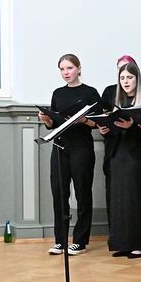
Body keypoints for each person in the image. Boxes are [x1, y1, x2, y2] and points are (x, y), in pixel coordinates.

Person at [38, 54, 102, 256]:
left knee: (83, 193)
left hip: (81, 148)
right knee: (59, 193)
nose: (66, 72)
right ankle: (60, 240)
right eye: (62, 69)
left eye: (70, 68)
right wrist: (46, 119)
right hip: (60, 147)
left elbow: (98, 123)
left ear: (79, 69)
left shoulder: (90, 92)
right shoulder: (57, 93)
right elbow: (54, 124)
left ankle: (80, 241)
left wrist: (83, 120)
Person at [100, 62, 141, 258]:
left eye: (130, 78)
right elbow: (110, 128)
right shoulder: (116, 100)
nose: (126, 82)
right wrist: (104, 129)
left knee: (134, 199)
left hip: (134, 155)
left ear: (137, 79)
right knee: (118, 200)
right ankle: (122, 243)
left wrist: (132, 126)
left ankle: (138, 244)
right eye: (122, 78)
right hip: (116, 154)